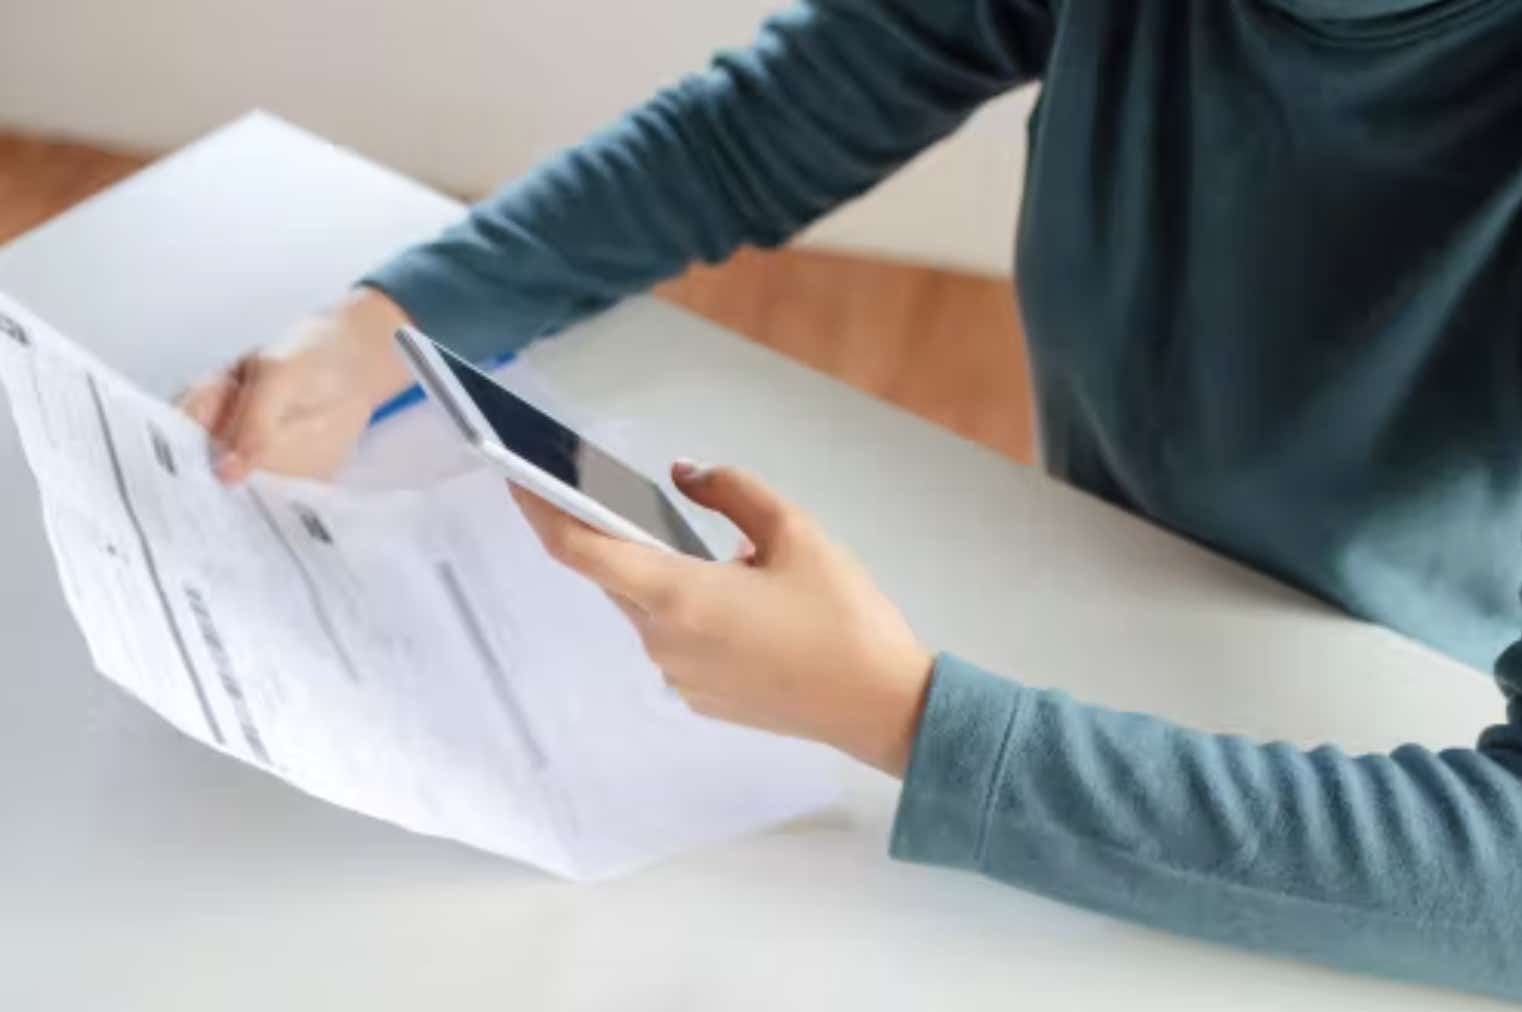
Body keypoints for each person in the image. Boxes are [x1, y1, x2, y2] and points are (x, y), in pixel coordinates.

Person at [180, 0, 1522, 1000]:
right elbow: (765, 124)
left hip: (1360, 730)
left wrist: (899, 717)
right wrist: (405, 316)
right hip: (1100, 584)